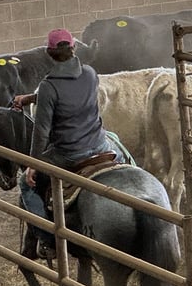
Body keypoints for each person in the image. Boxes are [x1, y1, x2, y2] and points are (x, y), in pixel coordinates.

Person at [14, 28, 124, 256]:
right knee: (122, 151)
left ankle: (49, 241)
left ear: (49, 53)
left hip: (69, 153)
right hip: (100, 144)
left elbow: (42, 130)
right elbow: (72, 93)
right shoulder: (91, 74)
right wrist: (33, 97)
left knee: (26, 185)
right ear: (74, 49)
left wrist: (32, 163)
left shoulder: (48, 86)